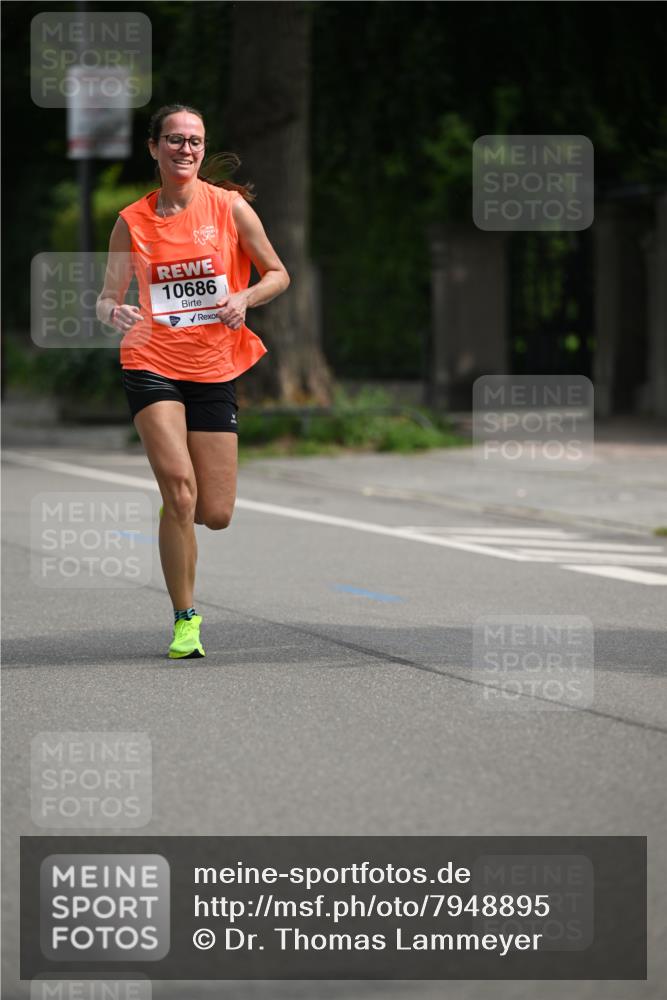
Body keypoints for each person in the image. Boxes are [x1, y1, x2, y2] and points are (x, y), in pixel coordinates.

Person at [96, 103, 290, 660]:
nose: (186, 149)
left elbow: (278, 274)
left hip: (213, 366)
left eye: (196, 141)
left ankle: (176, 508)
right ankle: (185, 619)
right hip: (151, 359)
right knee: (180, 489)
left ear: (204, 150)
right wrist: (115, 313)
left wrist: (243, 296)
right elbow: (109, 297)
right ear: (154, 148)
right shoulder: (132, 220)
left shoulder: (230, 209)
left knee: (214, 512)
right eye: (175, 140)